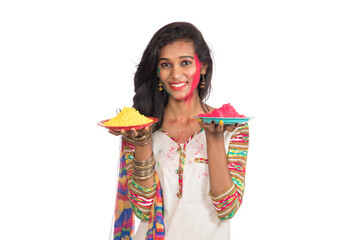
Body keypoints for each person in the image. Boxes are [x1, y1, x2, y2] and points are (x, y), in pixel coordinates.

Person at [109, 22, 250, 240]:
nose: (176, 74)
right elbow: (143, 210)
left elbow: (227, 209)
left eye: (185, 63)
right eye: (166, 65)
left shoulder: (233, 127)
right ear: (157, 71)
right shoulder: (140, 129)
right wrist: (142, 142)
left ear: (202, 67)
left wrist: (214, 137)